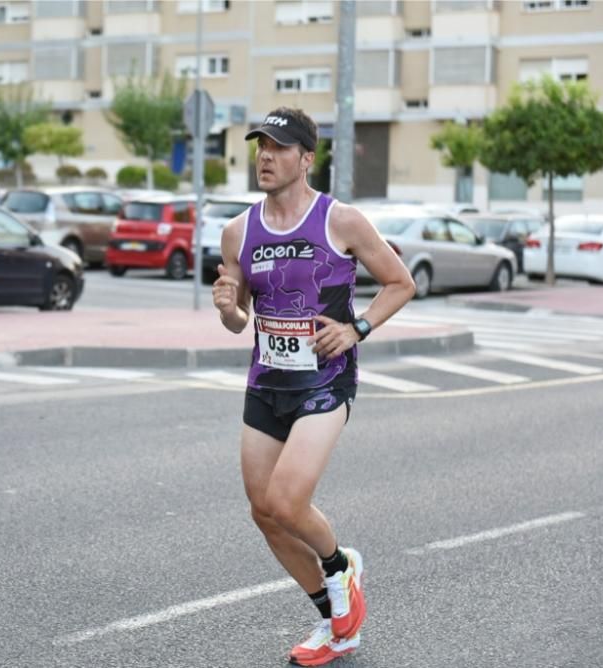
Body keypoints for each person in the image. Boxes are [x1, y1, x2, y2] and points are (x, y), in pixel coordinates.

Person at [212, 107, 415, 666]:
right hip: (267, 382)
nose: (266, 157)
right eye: (261, 147)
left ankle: (340, 565)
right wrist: (229, 308)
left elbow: (401, 283)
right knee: (263, 511)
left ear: (307, 159)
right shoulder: (238, 231)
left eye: (278, 148)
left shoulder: (340, 220)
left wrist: (357, 329)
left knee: (286, 499)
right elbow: (240, 320)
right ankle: (337, 625)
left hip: (325, 381)